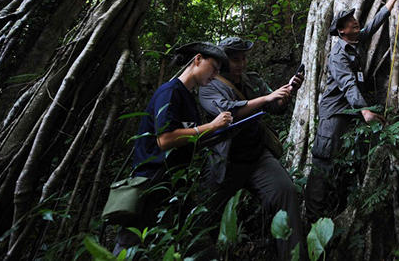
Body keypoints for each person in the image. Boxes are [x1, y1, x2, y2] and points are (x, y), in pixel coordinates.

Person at [114, 42, 233, 254]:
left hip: (174, 187)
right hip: (151, 185)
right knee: (128, 249)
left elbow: (187, 137)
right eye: (214, 68)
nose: (215, 75)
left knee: (194, 245)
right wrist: (211, 126)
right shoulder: (169, 92)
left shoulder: (188, 98)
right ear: (197, 60)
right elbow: (165, 139)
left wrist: (217, 133)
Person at [198, 37, 305, 261]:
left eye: (244, 58)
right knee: (204, 219)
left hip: (256, 156)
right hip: (225, 161)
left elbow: (273, 107)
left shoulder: (252, 81)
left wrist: (287, 92)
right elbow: (229, 113)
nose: (242, 63)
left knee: (285, 193)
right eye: (236, 59)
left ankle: (293, 256)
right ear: (223, 61)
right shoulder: (209, 86)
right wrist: (267, 97)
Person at [304, 0, 399, 223]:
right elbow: (348, 84)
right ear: (341, 31)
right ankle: (312, 217)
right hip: (335, 111)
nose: (355, 22)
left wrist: (390, 2)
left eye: (354, 19)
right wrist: (365, 110)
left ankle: (344, 203)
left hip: (352, 108)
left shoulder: (356, 39)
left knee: (351, 155)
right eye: (350, 22)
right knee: (324, 158)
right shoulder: (337, 55)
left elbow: (371, 28)